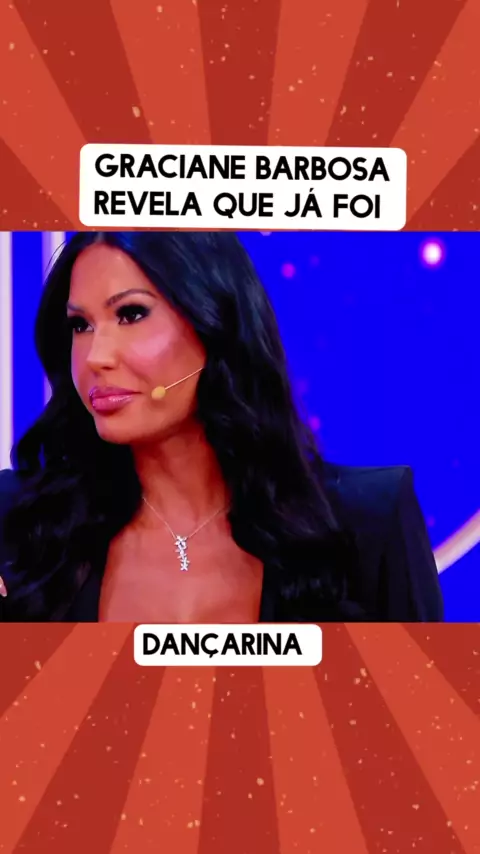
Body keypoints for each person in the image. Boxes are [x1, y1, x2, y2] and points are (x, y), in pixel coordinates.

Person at [0, 232, 443, 623]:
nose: (96, 356)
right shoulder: (23, 528)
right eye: (80, 325)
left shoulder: (369, 524)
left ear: (214, 322)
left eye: (131, 314)